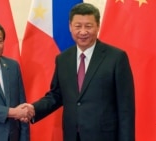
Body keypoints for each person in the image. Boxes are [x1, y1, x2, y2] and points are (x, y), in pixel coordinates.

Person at [22, 3, 135, 141]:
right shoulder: (63, 59)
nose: (82, 31)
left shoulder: (116, 58)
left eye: (88, 26)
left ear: (98, 26)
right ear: (70, 26)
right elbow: (56, 95)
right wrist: (33, 109)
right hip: (72, 135)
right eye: (78, 26)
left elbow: (125, 109)